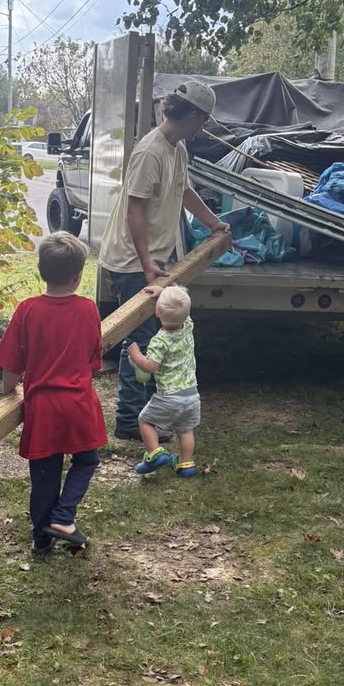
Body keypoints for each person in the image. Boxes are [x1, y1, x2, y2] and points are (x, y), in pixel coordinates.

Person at [98, 79, 228, 441]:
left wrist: (214, 223)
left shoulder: (178, 148)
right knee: (138, 338)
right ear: (192, 115)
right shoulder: (150, 152)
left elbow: (183, 191)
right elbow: (134, 210)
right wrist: (146, 264)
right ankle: (128, 420)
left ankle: (144, 413)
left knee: (153, 335)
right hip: (131, 261)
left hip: (152, 257)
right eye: (202, 121)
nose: (202, 129)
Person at [0, 232, 106, 555]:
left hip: (42, 408)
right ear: (77, 276)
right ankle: (64, 515)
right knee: (87, 460)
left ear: (40, 270)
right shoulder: (88, 310)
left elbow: (12, 362)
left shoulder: (27, 310)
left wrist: (8, 390)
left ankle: (42, 540)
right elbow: (93, 361)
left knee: (44, 475)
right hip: (79, 403)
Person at [127, 284, 200, 478]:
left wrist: (135, 355)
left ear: (157, 314)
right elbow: (183, 303)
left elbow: (150, 367)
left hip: (169, 396)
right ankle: (185, 464)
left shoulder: (160, 340)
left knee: (145, 421)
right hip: (192, 395)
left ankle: (155, 453)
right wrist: (165, 293)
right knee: (185, 430)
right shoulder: (188, 327)